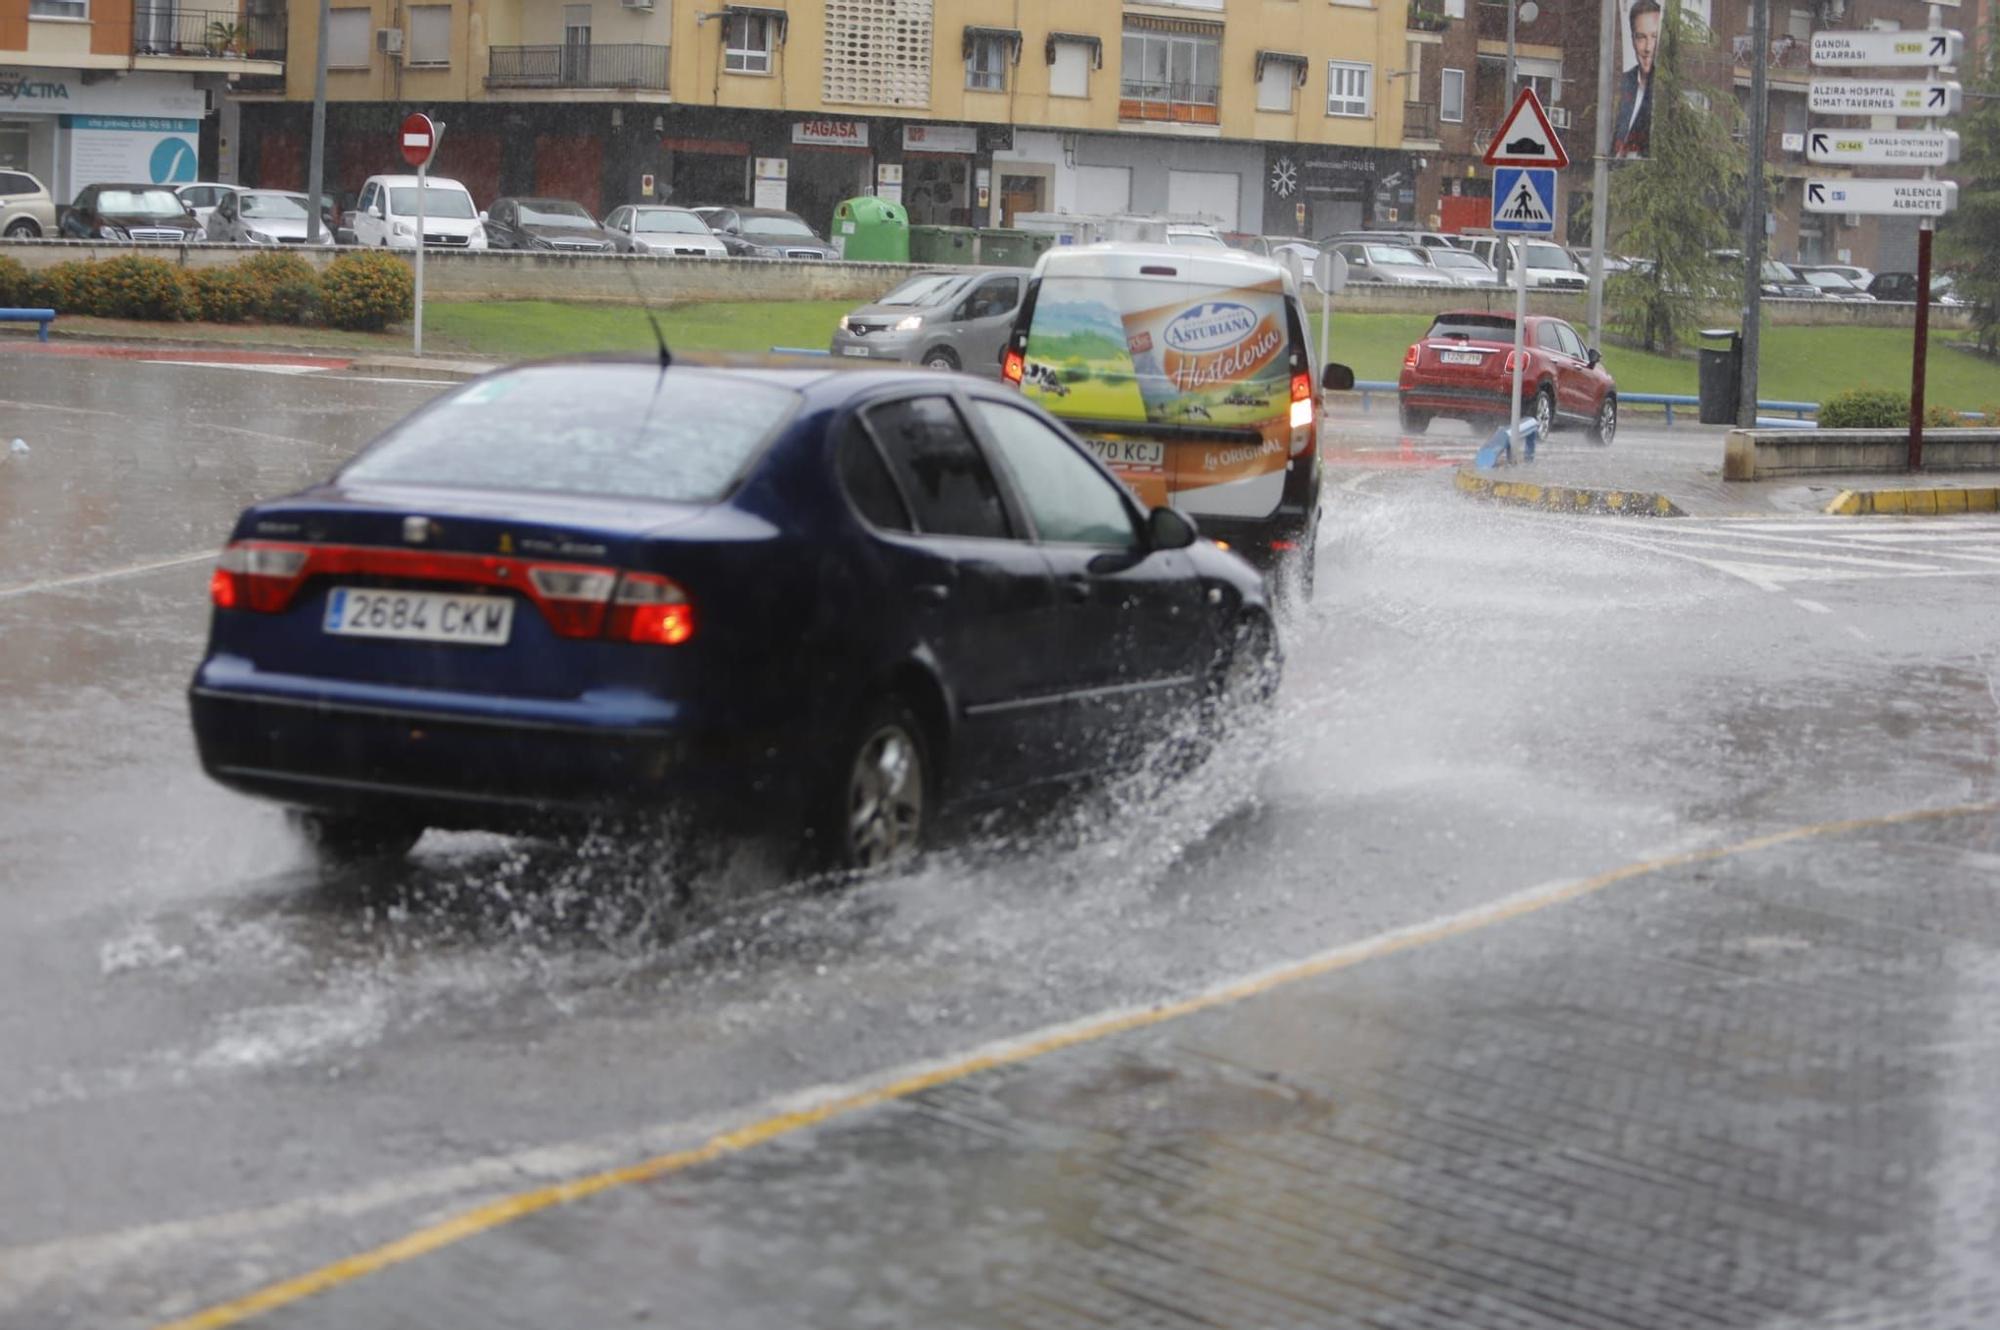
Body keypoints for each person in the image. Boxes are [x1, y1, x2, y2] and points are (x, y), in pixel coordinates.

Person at [1614, 0, 1661, 158]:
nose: (1648, 48)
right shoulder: (1621, 85)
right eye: (1641, 37)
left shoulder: (1666, 90)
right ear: (1633, 40)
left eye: (1654, 37)